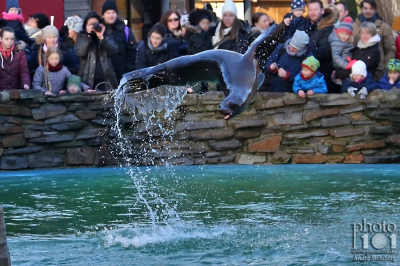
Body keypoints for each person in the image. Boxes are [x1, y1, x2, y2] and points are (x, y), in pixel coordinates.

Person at [353, 0, 396, 81]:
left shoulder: (384, 28)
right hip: (356, 71)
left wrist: (385, 69)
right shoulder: (353, 27)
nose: (368, 11)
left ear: (375, 10)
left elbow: (390, 50)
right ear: (361, 9)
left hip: (377, 71)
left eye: (371, 8)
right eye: (365, 8)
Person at [75, 11, 118, 90]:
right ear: (85, 26)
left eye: (95, 24)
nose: (93, 26)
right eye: (90, 24)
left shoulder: (106, 35)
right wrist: (88, 36)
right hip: (87, 82)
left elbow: (114, 51)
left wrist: (101, 37)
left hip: (106, 81)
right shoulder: (82, 37)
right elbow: (80, 53)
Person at [102, 0, 137, 81]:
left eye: (113, 12)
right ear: (103, 15)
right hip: (103, 77)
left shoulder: (126, 30)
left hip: (121, 76)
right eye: (108, 12)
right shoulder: (99, 31)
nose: (111, 15)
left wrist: (128, 72)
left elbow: (132, 52)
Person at [308, 3, 339, 93]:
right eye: (310, 10)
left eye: (315, 9)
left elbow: (323, 52)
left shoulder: (328, 28)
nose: (313, 12)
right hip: (310, 75)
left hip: (323, 77)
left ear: (322, 11)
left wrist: (305, 51)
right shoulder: (311, 26)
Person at [184, 8, 213, 94]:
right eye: (203, 23)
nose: (205, 25)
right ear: (197, 24)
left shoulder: (205, 34)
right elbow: (202, 49)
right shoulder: (197, 35)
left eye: (207, 23)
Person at [0, 26, 30, 91]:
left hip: (16, 92)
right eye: (7, 39)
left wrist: (26, 83)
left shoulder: (20, 52)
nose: (9, 41)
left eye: (12, 39)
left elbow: (24, 70)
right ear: (0, 39)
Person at [329, 17, 354, 85]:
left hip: (346, 63)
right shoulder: (336, 43)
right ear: (338, 33)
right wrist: (345, 65)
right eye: (342, 33)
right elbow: (335, 56)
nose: (344, 36)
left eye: (346, 34)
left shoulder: (348, 42)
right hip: (340, 65)